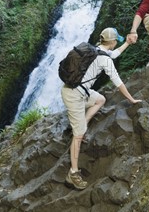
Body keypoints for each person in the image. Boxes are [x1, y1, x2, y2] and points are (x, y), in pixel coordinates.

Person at [61, 27, 142, 190]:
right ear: (111, 42)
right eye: (116, 41)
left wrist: (127, 43)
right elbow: (118, 83)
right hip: (74, 96)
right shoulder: (104, 60)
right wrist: (131, 99)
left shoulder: (96, 50)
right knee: (78, 136)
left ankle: (80, 124)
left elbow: (115, 54)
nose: (115, 44)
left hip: (75, 90)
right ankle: (73, 174)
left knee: (100, 99)